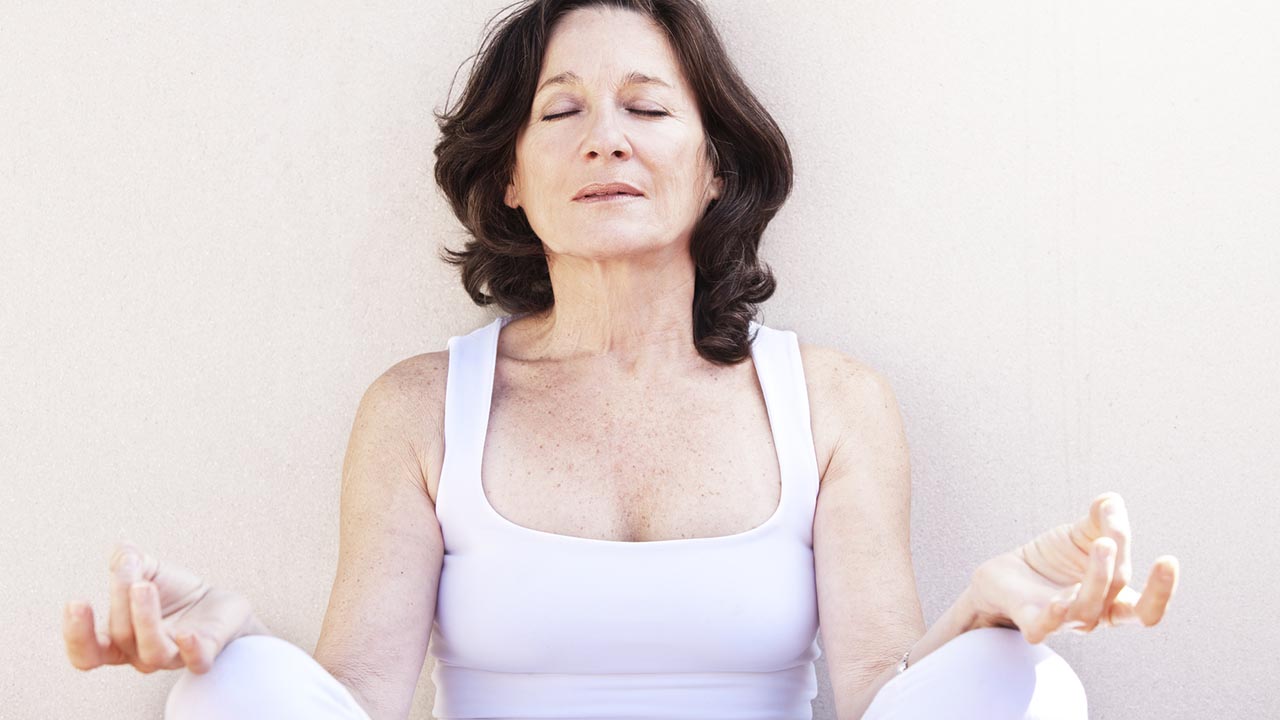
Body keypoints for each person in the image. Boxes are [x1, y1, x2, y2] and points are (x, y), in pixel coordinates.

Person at [61, 1, 1181, 718]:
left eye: (647, 106)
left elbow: (876, 704)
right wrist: (237, 650)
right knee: (224, 696)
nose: (606, 137)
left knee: (1022, 681)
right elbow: (355, 702)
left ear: (710, 169)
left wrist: (981, 618)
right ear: (508, 174)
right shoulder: (417, 410)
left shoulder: (834, 404)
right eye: (561, 113)